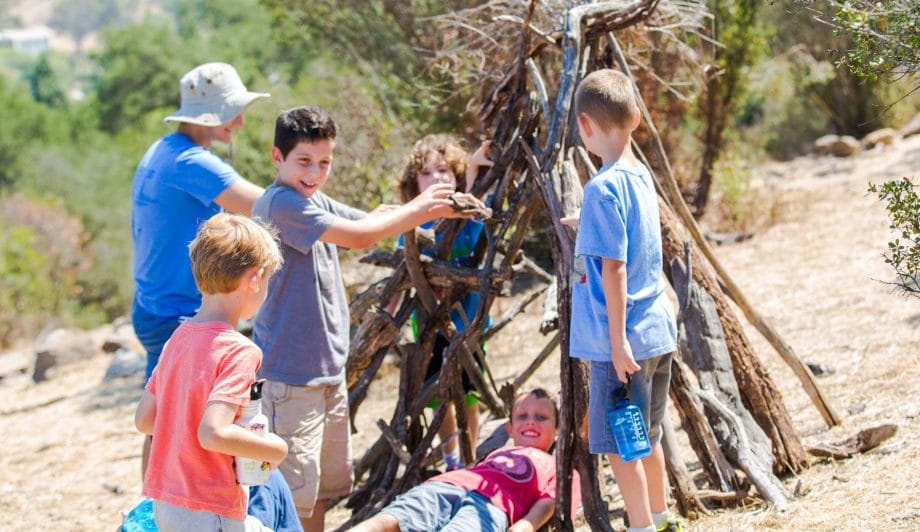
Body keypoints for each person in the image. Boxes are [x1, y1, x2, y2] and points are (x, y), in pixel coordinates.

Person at [252, 105, 483, 532]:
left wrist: (434, 209)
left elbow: (370, 218)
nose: (315, 172)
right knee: (291, 495)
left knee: (317, 490)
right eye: (304, 161)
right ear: (276, 157)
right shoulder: (282, 203)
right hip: (290, 377)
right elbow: (360, 236)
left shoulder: (309, 197)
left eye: (324, 162)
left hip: (323, 372)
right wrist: (420, 208)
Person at [131, 62, 269, 476]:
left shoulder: (163, 149)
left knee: (161, 420)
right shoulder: (192, 162)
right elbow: (266, 206)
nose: (239, 121)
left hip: (151, 306)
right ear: (209, 115)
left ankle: (155, 508)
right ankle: (162, 510)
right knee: (166, 425)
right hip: (177, 312)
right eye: (232, 111)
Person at [567, 68, 681, 532]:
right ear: (636, 118)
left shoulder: (601, 187)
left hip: (623, 345)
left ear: (584, 127)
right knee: (648, 436)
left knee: (619, 445)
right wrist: (586, 226)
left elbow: (613, 267)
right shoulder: (639, 177)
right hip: (655, 333)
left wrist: (615, 344)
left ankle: (640, 528)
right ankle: (662, 517)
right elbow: (628, 240)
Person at [134, 213, 289, 531]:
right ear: (255, 279)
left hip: (167, 502)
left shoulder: (179, 337)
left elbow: (145, 419)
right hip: (212, 505)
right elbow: (213, 433)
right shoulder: (240, 351)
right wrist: (276, 448)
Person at [393, 133, 493, 471]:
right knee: (439, 394)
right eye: (428, 173)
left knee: (468, 393)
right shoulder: (410, 219)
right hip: (430, 325)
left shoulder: (467, 216)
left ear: (458, 177)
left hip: (469, 323)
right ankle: (452, 458)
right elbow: (401, 263)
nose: (437, 178)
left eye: (445, 172)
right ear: (415, 181)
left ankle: (470, 455)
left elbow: (484, 214)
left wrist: (475, 175)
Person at [349, 388, 580, 532]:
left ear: (558, 430)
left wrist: (528, 524)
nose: (531, 422)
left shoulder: (557, 465)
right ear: (510, 428)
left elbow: (551, 500)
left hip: (492, 507)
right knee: (391, 521)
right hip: (447, 485)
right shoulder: (496, 454)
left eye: (542, 417)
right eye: (522, 416)